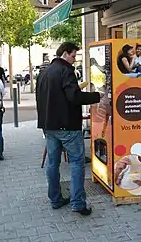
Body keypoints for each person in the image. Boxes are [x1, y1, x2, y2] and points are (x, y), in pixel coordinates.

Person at [36, 42, 101, 215]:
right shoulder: (66, 71)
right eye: (73, 56)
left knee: (52, 163)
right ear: (65, 54)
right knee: (77, 164)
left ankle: (55, 199)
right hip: (67, 126)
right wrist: (97, 96)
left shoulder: (44, 72)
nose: (74, 60)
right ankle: (78, 203)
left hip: (48, 126)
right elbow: (74, 97)